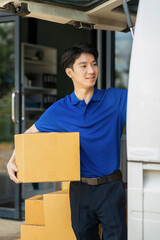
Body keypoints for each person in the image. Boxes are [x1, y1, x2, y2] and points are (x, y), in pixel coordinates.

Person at [7, 42, 127, 240]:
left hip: (110, 187)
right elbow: (29, 134)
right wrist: (12, 160)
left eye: (94, 64)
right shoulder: (59, 109)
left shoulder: (115, 99)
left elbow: (148, 98)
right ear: (70, 72)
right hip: (79, 190)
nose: (91, 70)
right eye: (84, 65)